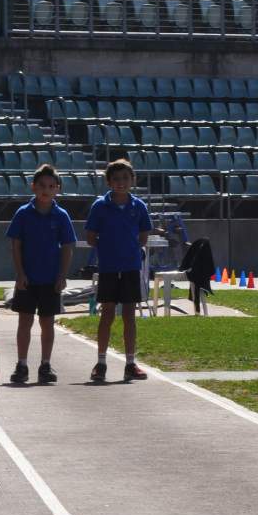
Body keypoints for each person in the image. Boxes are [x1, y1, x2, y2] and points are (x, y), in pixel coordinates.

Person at [5, 164, 76, 385]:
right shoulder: (23, 213)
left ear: (58, 189)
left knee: (47, 323)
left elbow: (67, 246)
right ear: (33, 187)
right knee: (24, 322)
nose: (46, 190)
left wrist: (62, 275)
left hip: (50, 279)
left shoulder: (61, 215)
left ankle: (45, 364)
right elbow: (16, 245)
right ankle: (22, 364)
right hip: (28, 278)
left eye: (51, 186)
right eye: (42, 185)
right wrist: (20, 274)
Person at [84, 158, 152, 383]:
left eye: (125, 178)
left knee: (129, 316)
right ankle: (101, 362)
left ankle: (130, 363)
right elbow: (91, 237)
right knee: (107, 314)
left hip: (131, 267)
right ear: (109, 182)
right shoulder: (100, 206)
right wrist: (110, 248)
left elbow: (143, 235)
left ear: (132, 180)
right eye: (116, 179)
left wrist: (130, 249)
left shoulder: (138, 206)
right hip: (109, 268)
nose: (121, 182)